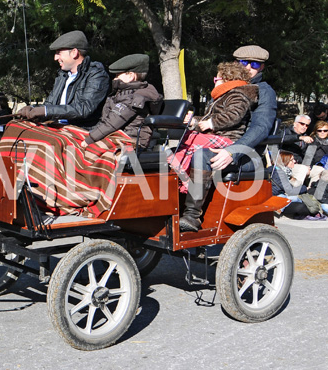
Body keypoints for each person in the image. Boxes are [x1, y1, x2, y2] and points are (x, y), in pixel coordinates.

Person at [170, 61, 259, 231]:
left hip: (227, 141)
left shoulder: (238, 94)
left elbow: (234, 116)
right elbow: (206, 122)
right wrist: (194, 121)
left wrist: (211, 122)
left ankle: (192, 215)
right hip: (214, 137)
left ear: (227, 78)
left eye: (216, 78)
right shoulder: (222, 95)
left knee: (198, 154)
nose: (214, 80)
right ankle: (172, 200)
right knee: (175, 151)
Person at [17, 30, 110, 129]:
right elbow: (49, 104)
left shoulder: (97, 74)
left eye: (58, 53)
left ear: (74, 53)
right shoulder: (62, 77)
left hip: (84, 133)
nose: (55, 58)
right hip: (58, 129)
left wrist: (45, 111)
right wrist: (31, 109)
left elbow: (84, 108)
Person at [206, 45, 278, 171]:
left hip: (247, 154)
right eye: (244, 62)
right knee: (173, 154)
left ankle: (196, 191)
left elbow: (261, 128)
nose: (248, 67)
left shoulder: (264, 91)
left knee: (201, 156)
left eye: (255, 64)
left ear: (261, 67)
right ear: (235, 63)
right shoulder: (226, 87)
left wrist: (232, 152)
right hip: (216, 141)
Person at [84, 54, 162, 150]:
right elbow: (105, 121)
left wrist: (89, 139)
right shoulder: (121, 94)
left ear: (130, 76)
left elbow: (113, 123)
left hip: (130, 141)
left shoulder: (134, 98)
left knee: (85, 150)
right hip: (116, 137)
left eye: (117, 75)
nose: (114, 79)